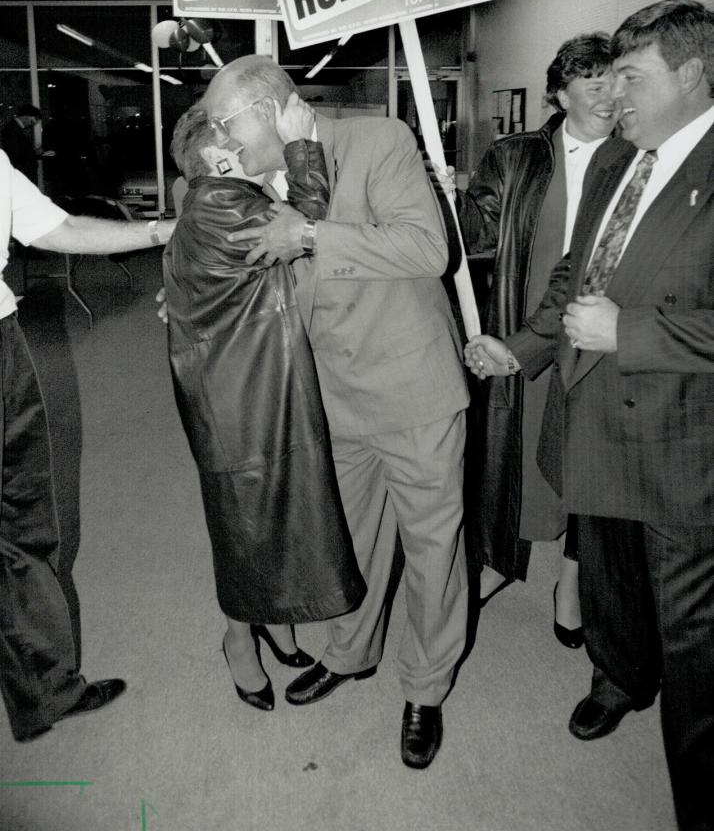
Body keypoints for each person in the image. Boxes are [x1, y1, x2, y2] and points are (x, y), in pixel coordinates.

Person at [467, 0, 714, 831]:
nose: (615, 98)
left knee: (695, 647)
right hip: (592, 424)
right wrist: (524, 347)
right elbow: (576, 273)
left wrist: (632, 330)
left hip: (683, 449)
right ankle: (616, 680)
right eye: (607, 81)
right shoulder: (615, 161)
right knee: (607, 589)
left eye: (632, 79)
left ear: (691, 74)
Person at [198, 55, 470, 769]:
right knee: (355, 541)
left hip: (413, 391)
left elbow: (427, 248)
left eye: (227, 122)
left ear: (269, 106)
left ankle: (427, 686)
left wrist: (312, 237)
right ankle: (352, 654)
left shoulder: (379, 140)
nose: (219, 136)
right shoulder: (252, 182)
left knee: (433, 551)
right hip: (332, 399)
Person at [162, 103, 365, 712]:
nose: (250, 140)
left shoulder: (211, 198)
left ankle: (274, 621)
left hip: (239, 377)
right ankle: (237, 639)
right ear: (216, 155)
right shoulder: (224, 201)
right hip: (236, 390)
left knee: (271, 512)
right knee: (246, 520)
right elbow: (304, 224)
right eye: (234, 133)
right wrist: (303, 148)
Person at [0, 150, 175, 742]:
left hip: (1, 341)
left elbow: (61, 228)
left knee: (26, 524)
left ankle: (44, 692)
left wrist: (166, 229)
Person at [458, 33, 617, 645]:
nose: (607, 94)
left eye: (614, 80)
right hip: (525, 330)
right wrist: (438, 197)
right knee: (508, 455)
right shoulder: (518, 155)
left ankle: (571, 585)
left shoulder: (638, 156)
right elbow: (475, 234)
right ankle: (483, 562)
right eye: (593, 82)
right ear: (560, 92)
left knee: (591, 466)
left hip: (600, 336)